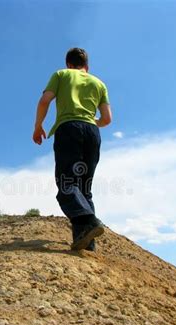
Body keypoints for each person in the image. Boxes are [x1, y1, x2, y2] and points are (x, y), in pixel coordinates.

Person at [32, 47, 112, 252]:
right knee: (84, 188)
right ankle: (86, 246)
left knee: (67, 183)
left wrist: (38, 126)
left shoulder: (61, 74)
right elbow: (107, 119)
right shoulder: (99, 83)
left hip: (69, 129)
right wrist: (90, 121)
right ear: (87, 66)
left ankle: (89, 221)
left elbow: (44, 101)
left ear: (68, 64)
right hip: (93, 133)